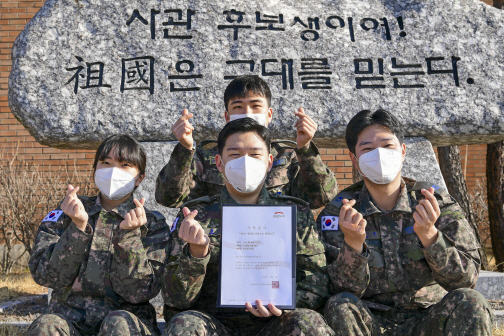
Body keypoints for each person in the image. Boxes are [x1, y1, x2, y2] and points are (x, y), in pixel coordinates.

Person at [319, 109, 493, 336]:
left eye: (387, 146)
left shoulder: (434, 203)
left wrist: (431, 237)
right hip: (370, 322)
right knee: (339, 306)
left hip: (429, 318)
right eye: (368, 149)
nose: (379, 155)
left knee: (472, 301)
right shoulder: (339, 212)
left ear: (402, 151)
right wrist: (353, 246)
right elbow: (338, 290)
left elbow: (465, 279)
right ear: (355, 159)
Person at [162, 118, 334, 336]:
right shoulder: (196, 216)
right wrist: (196, 254)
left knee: (309, 324)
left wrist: (282, 304)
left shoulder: (294, 213)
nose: (244, 162)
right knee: (184, 325)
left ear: (269, 162)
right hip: (214, 324)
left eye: (254, 154)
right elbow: (175, 298)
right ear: (219, 163)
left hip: (275, 324)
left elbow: (316, 283)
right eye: (234, 154)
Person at [27, 135, 171, 336]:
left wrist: (129, 237)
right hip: (68, 318)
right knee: (46, 326)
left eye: (125, 165)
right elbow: (47, 276)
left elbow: (140, 291)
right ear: (94, 169)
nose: (113, 171)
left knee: (118, 324)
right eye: (106, 163)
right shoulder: (66, 213)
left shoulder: (151, 224)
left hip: (125, 321)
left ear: (140, 177)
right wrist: (77, 228)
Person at [155, 75, 337, 210]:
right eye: (238, 107)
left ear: (269, 114)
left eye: (255, 106)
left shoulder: (288, 157)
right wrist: (185, 149)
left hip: (276, 241)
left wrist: (305, 149)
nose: (247, 112)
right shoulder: (207, 157)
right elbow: (170, 198)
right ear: (227, 116)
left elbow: (322, 197)